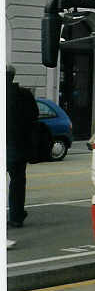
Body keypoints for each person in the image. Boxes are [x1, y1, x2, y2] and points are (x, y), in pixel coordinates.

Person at [7, 65, 38, 229]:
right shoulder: (24, 95)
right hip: (17, 146)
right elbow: (34, 117)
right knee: (17, 182)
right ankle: (16, 215)